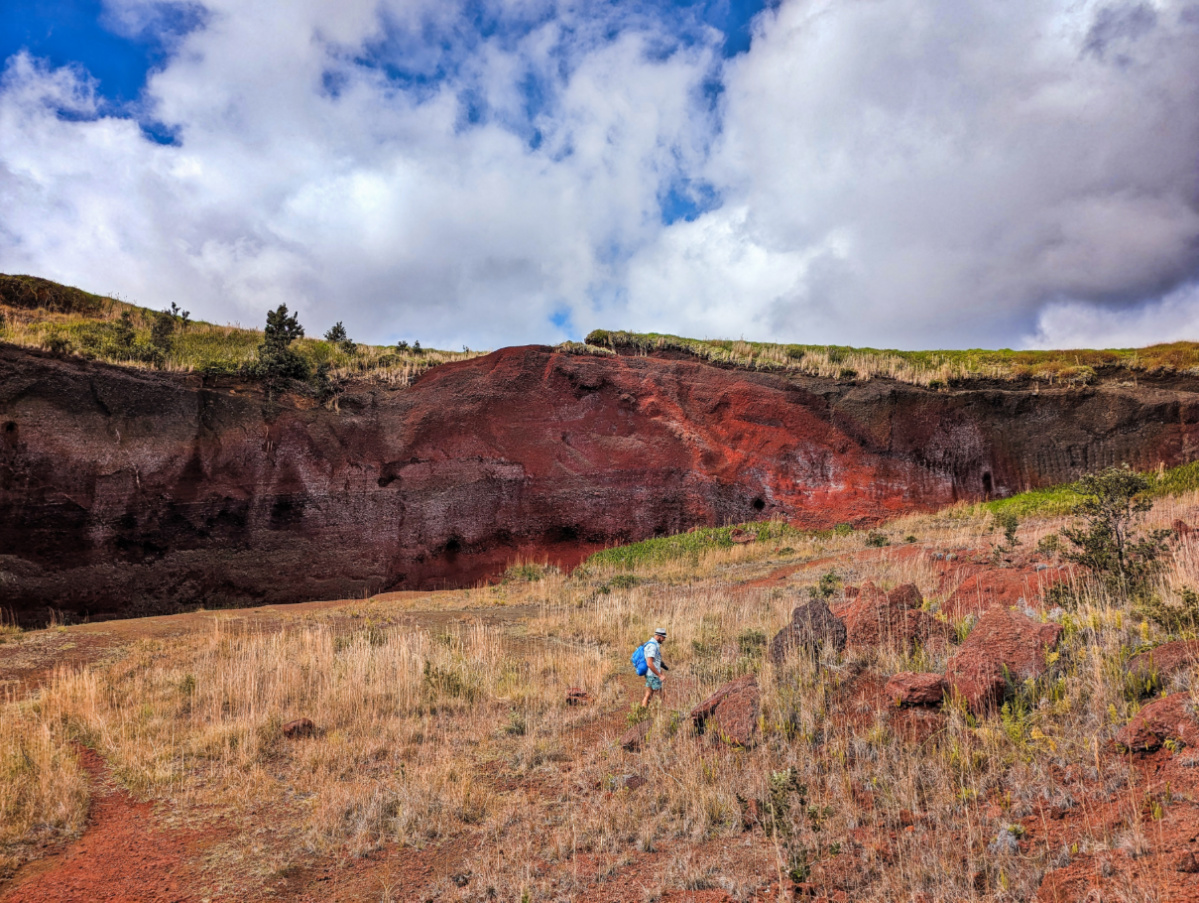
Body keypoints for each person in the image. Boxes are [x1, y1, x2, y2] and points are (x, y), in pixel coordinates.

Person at [640, 628, 668, 707]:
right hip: (653, 675)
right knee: (661, 695)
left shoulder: (650, 643)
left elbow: (654, 662)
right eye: (663, 637)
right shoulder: (652, 646)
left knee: (648, 694)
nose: (664, 639)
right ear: (659, 636)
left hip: (650, 674)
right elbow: (649, 663)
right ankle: (659, 712)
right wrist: (660, 675)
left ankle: (643, 711)